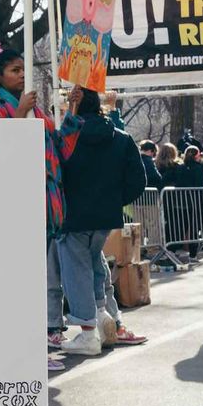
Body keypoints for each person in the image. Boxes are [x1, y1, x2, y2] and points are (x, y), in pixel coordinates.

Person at [0, 44, 82, 359]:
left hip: (46, 203)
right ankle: (17, 350)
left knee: (37, 278)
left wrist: (72, 111)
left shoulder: (35, 109)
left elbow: (60, 149)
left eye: (24, 69)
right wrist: (20, 114)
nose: (22, 76)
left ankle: (33, 348)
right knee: (17, 280)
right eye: (15, 71)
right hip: (13, 205)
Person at [56, 86, 146, 355]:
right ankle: (105, 316)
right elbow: (138, 181)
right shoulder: (121, 138)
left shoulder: (69, 138)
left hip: (72, 215)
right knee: (95, 265)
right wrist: (114, 201)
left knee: (77, 272)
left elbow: (56, 170)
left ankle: (87, 332)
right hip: (105, 217)